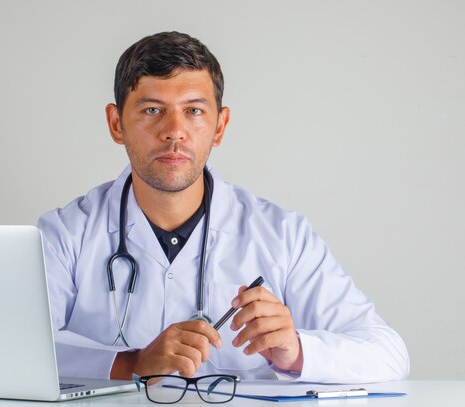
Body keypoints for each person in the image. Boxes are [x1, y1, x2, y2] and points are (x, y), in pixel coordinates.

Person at [38, 31, 409, 383]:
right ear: (116, 123)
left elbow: (388, 354)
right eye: (152, 110)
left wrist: (296, 351)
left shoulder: (282, 235)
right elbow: (9, 348)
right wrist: (130, 363)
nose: (174, 131)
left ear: (220, 125)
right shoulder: (64, 233)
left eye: (195, 111)